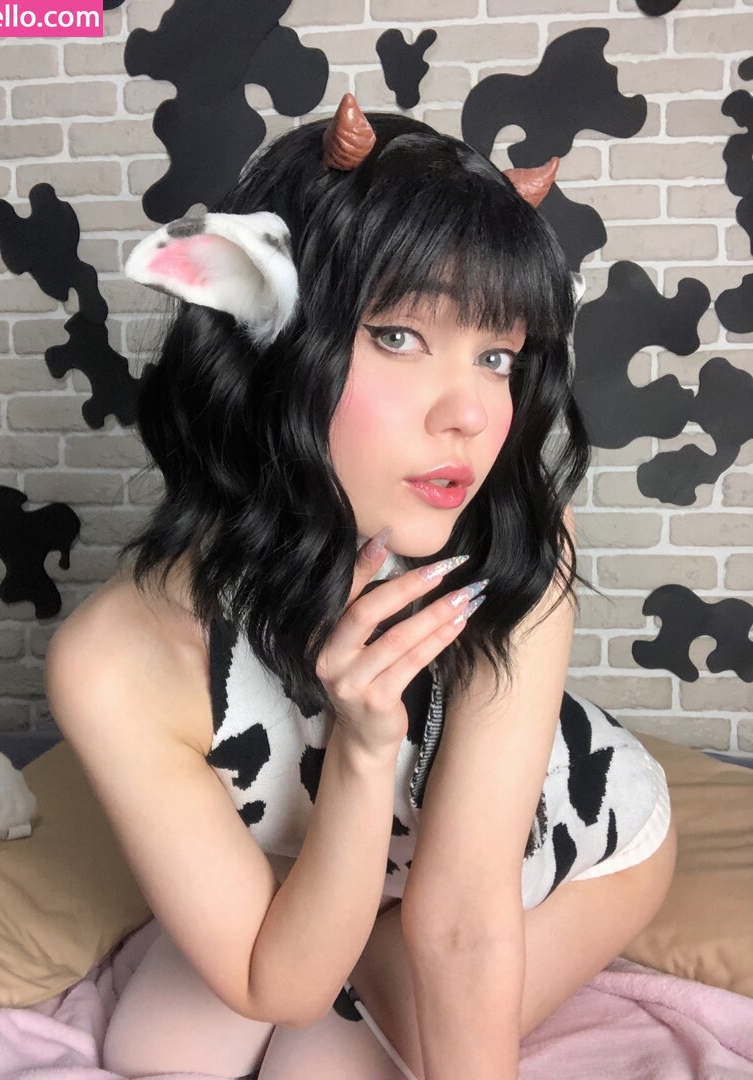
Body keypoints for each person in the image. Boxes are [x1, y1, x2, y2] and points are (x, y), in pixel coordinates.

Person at [44, 93, 677, 1080]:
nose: (472, 415)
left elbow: (460, 921)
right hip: (337, 852)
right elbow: (277, 986)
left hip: (557, 840)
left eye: (497, 355)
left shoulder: (513, 538)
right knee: (155, 1053)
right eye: (398, 337)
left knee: (319, 1065)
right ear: (267, 335)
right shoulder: (112, 660)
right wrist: (363, 747)